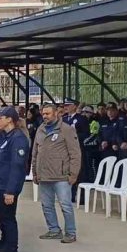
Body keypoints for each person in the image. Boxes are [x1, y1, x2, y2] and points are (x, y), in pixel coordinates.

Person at [31, 103, 81, 244]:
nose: (45, 116)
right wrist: (35, 172)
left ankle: (70, 232)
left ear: (56, 114)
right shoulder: (40, 129)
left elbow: (75, 153)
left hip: (61, 176)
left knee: (65, 205)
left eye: (47, 114)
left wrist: (73, 174)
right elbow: (35, 152)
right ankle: (54, 230)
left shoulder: (66, 130)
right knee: (46, 205)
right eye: (43, 114)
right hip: (44, 175)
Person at [0, 107, 30, 252]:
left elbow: (17, 167)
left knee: (8, 219)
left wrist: (10, 191)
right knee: (3, 217)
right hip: (0, 183)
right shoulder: (6, 136)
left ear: (9, 120)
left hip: (7, 186)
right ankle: (5, 244)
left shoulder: (18, 139)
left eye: (0, 118)